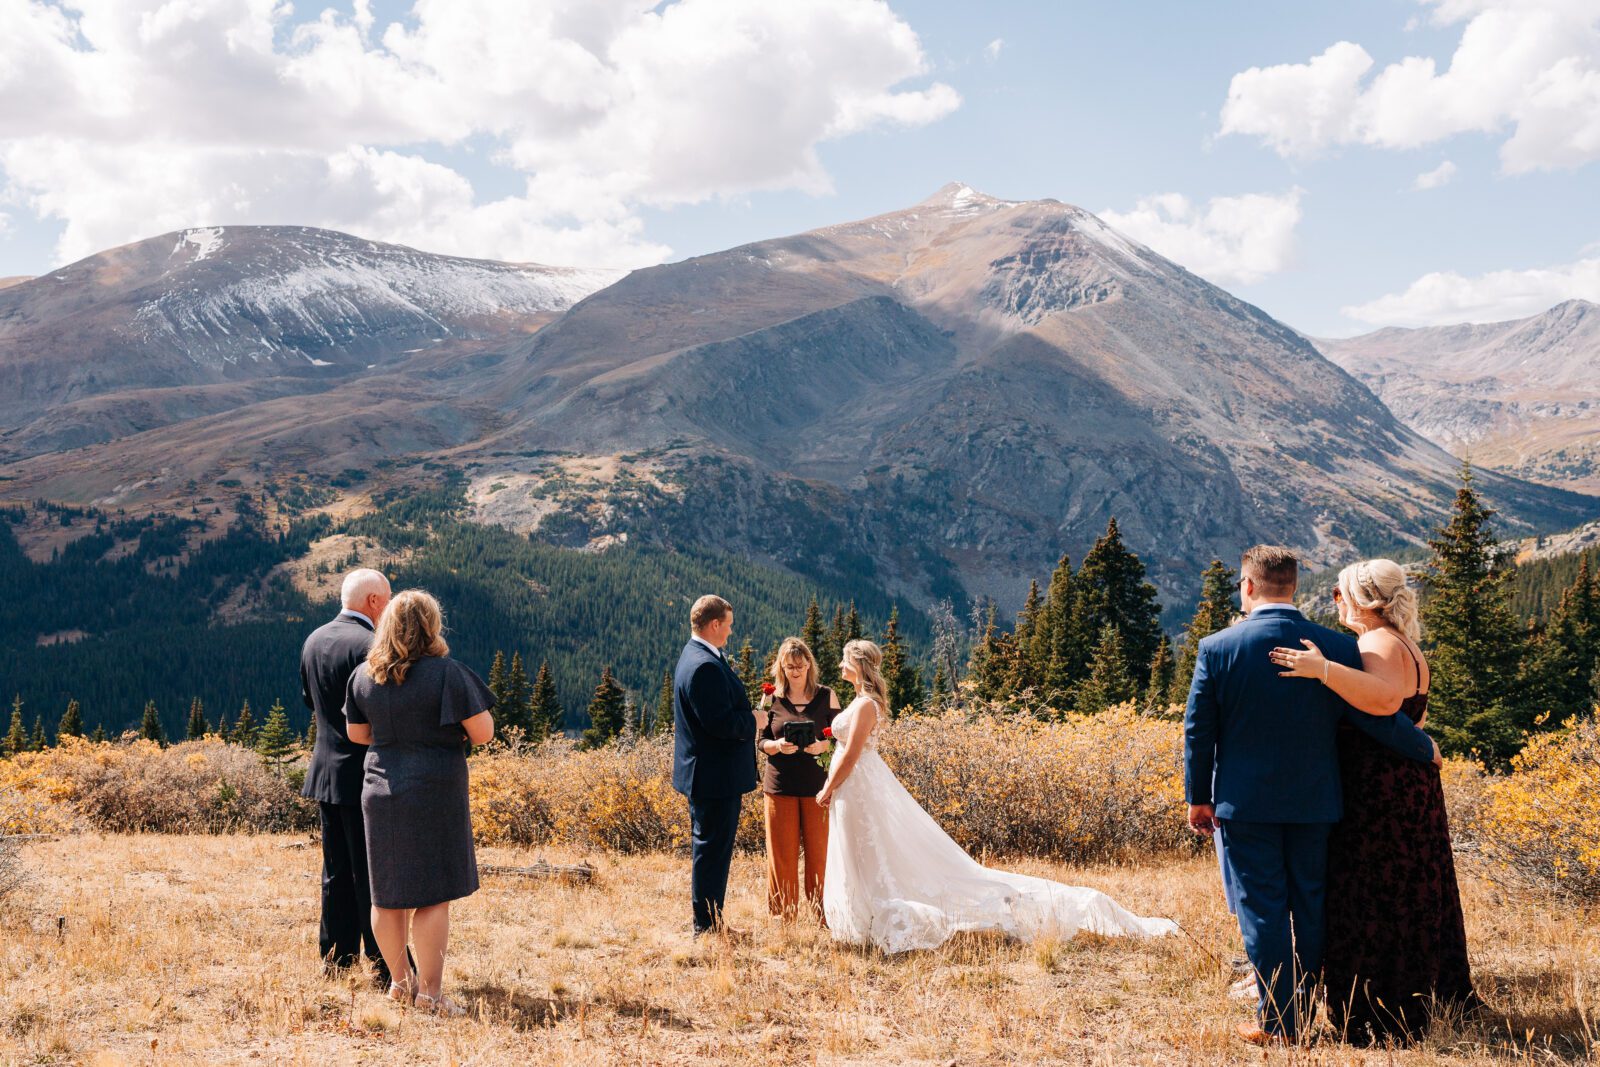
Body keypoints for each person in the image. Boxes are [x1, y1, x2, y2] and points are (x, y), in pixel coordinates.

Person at [1184, 546, 1442, 1046]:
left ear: (1249, 587)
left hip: (1245, 803)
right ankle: (1309, 1005)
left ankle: (1281, 1022)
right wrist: (1424, 747)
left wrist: (1198, 796)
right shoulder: (1335, 647)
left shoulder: (1217, 647)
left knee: (1262, 910)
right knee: (1312, 906)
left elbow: (1199, 731)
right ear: (1294, 588)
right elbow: (1373, 715)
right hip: (1318, 801)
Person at [819, 639, 1176, 954]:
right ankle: (861, 917)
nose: (839, 666)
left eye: (844, 661)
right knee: (860, 851)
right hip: (856, 786)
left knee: (866, 850)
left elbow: (851, 755)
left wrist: (827, 787)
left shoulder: (866, 705)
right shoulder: (860, 701)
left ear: (857, 664)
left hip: (858, 785)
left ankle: (879, 914)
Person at [1270, 559, 1478, 1044]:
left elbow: (1383, 702)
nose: (1336, 602)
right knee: (1410, 886)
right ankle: (1417, 993)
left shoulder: (1377, 642)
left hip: (1382, 791)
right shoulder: (1400, 641)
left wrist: (1322, 670)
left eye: (1341, 594)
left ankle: (1382, 1005)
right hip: (1404, 784)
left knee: (1376, 889)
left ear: (1365, 600)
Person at [343, 590, 494, 1016]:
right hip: (434, 790)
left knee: (386, 895)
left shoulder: (363, 676)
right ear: (432, 626)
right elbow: (483, 732)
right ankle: (430, 994)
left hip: (380, 789)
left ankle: (399, 984)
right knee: (433, 895)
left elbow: (357, 734)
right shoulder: (446, 674)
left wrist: (397, 739)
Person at [299, 567, 391, 984]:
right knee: (371, 870)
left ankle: (335, 958)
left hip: (324, 771)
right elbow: (381, 708)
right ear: (373, 601)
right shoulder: (371, 645)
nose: (388, 608)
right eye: (387, 600)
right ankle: (384, 962)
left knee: (335, 869)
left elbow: (308, 701)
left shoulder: (313, 639)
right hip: (365, 772)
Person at [671, 594, 760, 936]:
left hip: (708, 775)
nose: (730, 632)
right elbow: (721, 724)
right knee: (711, 852)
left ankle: (711, 922)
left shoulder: (695, 655)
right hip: (714, 777)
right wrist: (753, 719)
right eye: (729, 625)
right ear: (714, 624)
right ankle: (706, 927)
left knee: (711, 850)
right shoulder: (705, 665)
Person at [756, 637, 838, 920]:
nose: (795, 671)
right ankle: (783, 918)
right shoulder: (771, 698)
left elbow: (841, 736)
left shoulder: (827, 695)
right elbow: (760, 740)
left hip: (819, 787)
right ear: (781, 666)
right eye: (789, 666)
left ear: (809, 666)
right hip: (780, 786)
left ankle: (825, 915)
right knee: (782, 855)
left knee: (821, 855)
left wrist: (824, 745)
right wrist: (776, 746)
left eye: (800, 666)